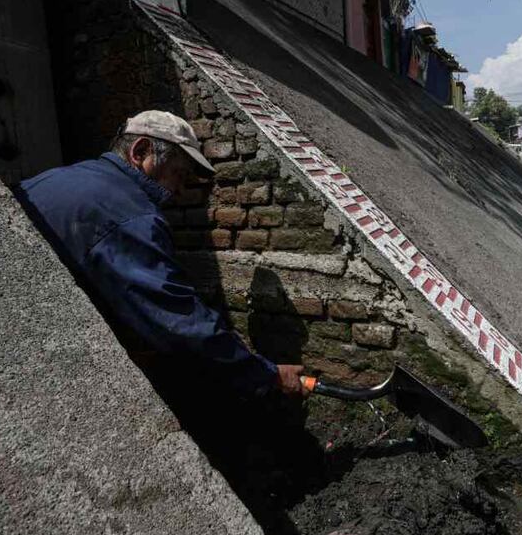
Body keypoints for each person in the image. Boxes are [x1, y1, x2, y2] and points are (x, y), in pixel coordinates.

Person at [15, 110, 307, 399]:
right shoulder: (132, 215)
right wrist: (266, 374)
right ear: (141, 152)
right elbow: (177, 321)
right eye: (179, 175)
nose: (179, 192)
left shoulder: (52, 178)